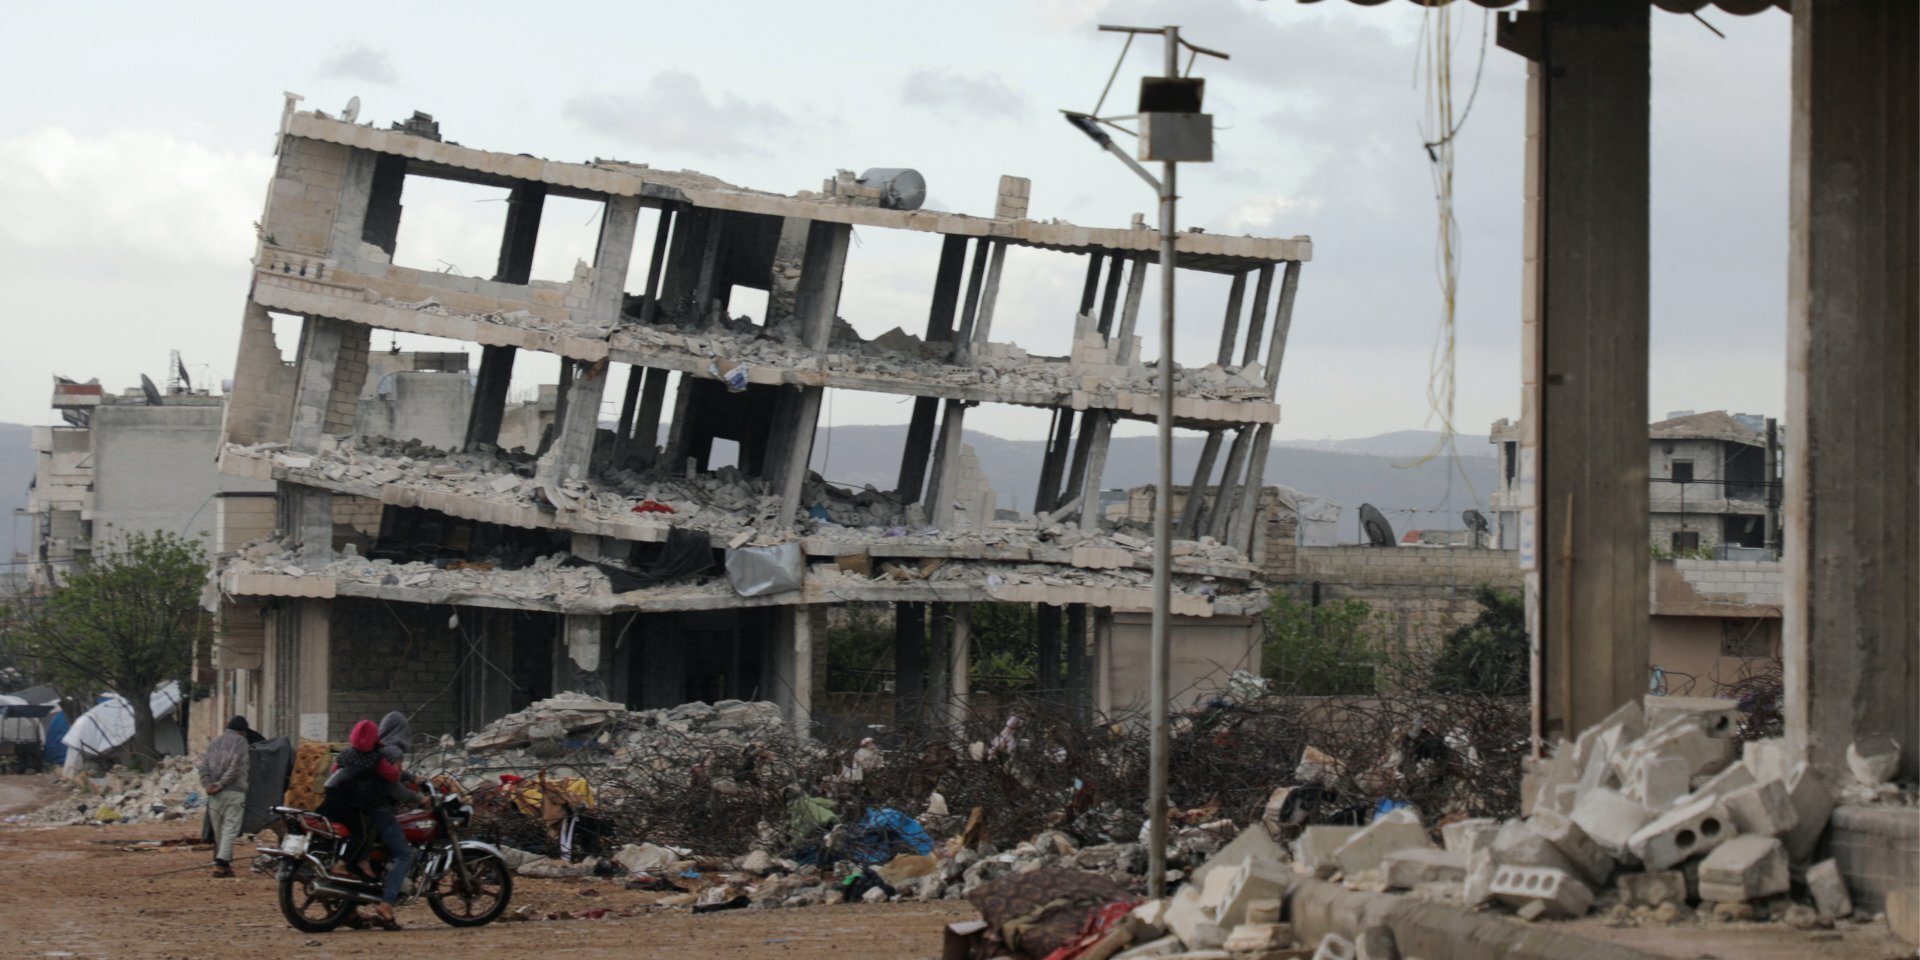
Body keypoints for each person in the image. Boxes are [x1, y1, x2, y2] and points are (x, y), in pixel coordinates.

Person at [322, 719, 414, 927]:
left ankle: (360, 871)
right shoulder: (381, 757)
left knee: (365, 833)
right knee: (403, 853)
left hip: (336, 804)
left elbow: (333, 773)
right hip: (371, 807)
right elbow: (393, 779)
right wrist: (415, 792)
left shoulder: (346, 755)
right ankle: (386, 902)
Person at [199, 715, 252, 877]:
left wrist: (208, 785)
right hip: (234, 792)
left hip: (214, 795)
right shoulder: (241, 742)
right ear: (242, 731)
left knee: (219, 832)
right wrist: (221, 784)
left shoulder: (214, 742)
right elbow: (236, 767)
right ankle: (220, 865)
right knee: (230, 829)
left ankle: (224, 866)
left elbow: (203, 767)